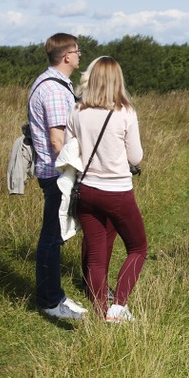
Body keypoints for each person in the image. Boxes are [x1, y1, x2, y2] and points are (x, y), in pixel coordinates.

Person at [65, 56, 147, 322]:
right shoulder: (125, 112)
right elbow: (135, 157)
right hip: (117, 190)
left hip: (86, 189)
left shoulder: (77, 110)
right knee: (137, 247)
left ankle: (101, 310)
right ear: (117, 80)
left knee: (96, 256)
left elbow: (70, 151)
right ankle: (119, 305)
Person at [27, 32, 88, 320]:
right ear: (66, 56)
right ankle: (51, 300)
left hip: (54, 171)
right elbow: (56, 139)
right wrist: (78, 171)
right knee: (53, 237)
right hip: (56, 173)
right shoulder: (53, 90)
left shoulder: (54, 83)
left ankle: (52, 295)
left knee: (54, 235)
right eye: (77, 51)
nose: (79, 56)